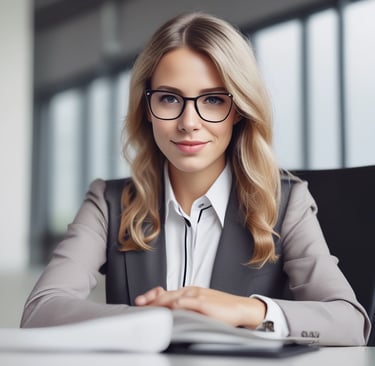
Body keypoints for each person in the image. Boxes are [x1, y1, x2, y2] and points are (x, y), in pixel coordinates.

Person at [21, 12, 370, 346]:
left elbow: (350, 322)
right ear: (146, 107)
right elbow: (41, 310)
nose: (189, 122)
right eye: (170, 98)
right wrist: (145, 322)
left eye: (213, 100)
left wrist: (246, 310)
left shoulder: (286, 203)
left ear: (239, 110)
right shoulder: (108, 204)